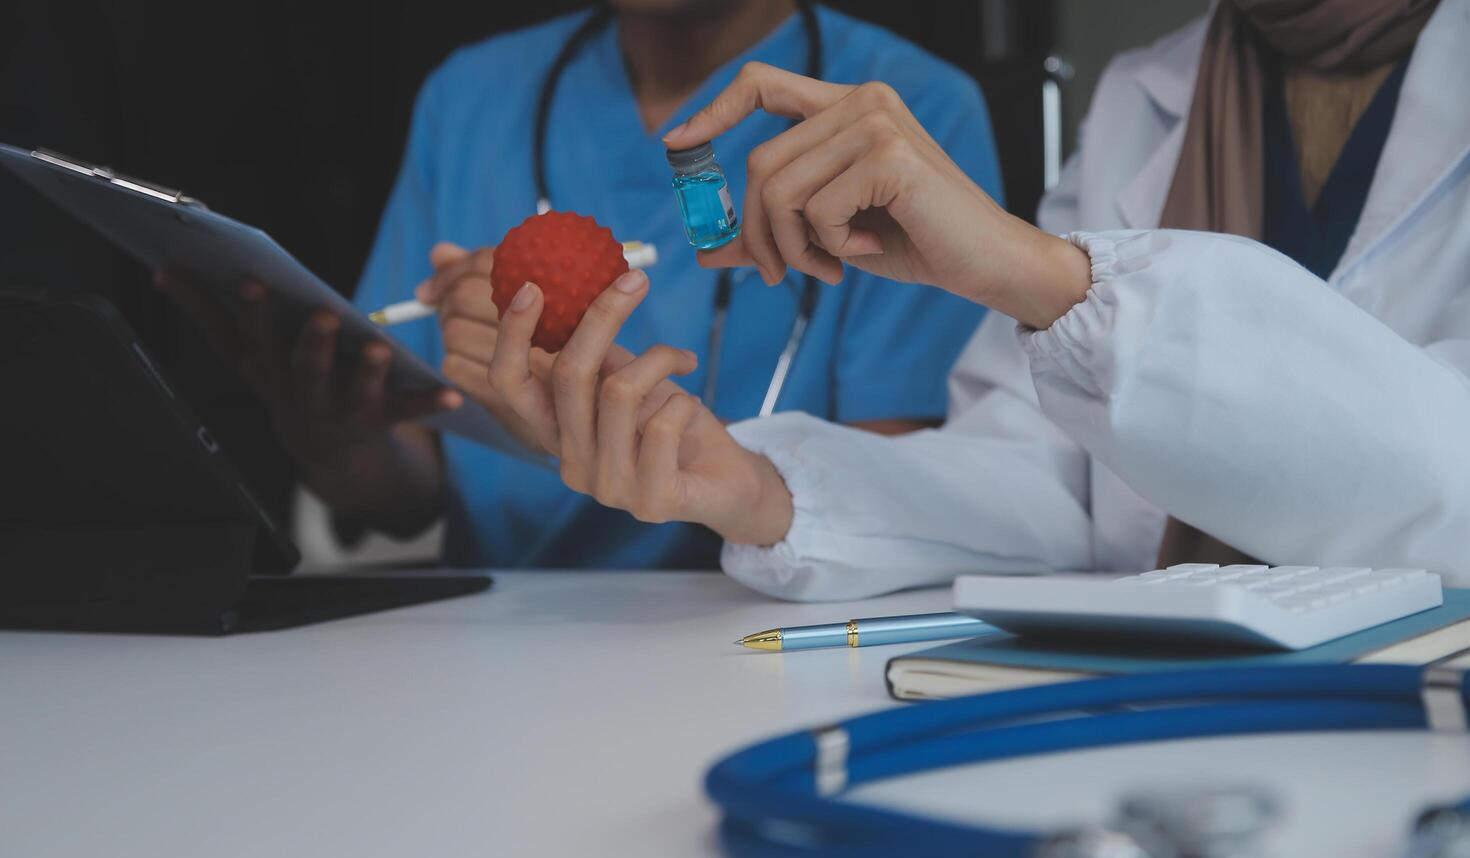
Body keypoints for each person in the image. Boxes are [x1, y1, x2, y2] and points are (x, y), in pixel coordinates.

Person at [458, 0, 1470, 599]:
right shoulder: (1145, 93)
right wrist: (754, 486)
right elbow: (1044, 484)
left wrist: (1044, 277)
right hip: (1161, 716)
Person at [337, 0, 998, 570]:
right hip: (485, 645)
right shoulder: (468, 97)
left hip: (754, 633)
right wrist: (335, 426)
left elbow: (897, 515)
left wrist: (605, 423)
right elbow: (400, 492)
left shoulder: (909, 121)